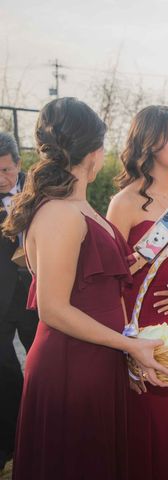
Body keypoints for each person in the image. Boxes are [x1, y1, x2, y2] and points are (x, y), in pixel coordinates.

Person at [2, 97, 168, 479]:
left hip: (100, 360)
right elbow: (53, 308)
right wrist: (131, 345)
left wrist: (139, 262)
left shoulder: (81, 206)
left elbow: (95, 282)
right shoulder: (59, 212)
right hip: (70, 367)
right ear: (94, 153)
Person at [107, 105, 168, 480]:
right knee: (143, 416)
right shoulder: (124, 202)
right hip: (137, 323)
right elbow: (111, 279)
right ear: (150, 143)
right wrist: (125, 342)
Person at [0, 132, 39, 472]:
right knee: (5, 371)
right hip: (0, 297)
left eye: (7, 170)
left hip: (36, 295)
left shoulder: (38, 188)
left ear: (19, 164)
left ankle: (40, 435)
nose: (2, 179)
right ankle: (8, 441)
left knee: (42, 366)